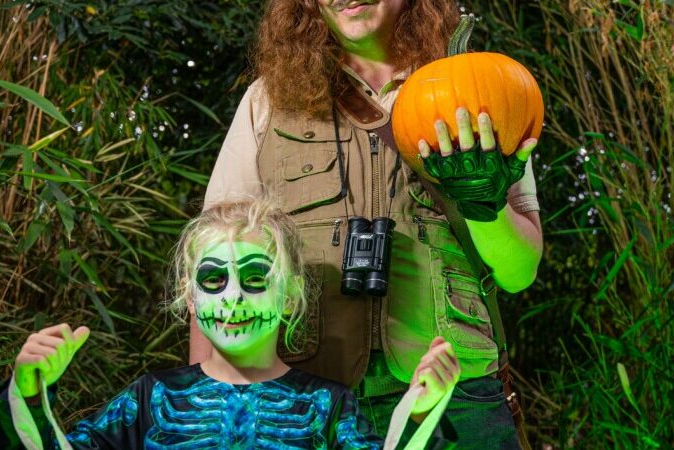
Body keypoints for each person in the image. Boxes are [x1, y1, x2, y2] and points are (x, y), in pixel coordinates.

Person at [202, 1, 543, 447]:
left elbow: (519, 274)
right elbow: (210, 264)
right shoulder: (268, 101)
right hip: (305, 401)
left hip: (457, 397)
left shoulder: (483, 96)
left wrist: (487, 208)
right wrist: (207, 400)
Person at [0, 199, 462, 449]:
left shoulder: (327, 406)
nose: (234, 297)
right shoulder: (151, 398)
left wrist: (420, 412)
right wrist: (30, 393)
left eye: (256, 278)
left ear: (291, 295)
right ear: (189, 297)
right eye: (214, 279)